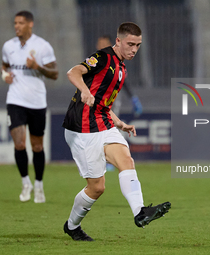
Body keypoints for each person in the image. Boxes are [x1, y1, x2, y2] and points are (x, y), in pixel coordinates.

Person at [62, 22, 171, 241]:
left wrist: (119, 123)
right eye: (130, 44)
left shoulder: (122, 68)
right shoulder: (102, 58)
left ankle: (140, 212)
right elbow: (73, 72)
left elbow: (102, 105)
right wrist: (83, 90)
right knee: (96, 188)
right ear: (118, 41)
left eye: (138, 45)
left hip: (102, 122)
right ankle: (72, 226)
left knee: (126, 160)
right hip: (82, 128)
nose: (134, 49)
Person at [1, 11, 58, 203]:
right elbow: (4, 66)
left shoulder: (42, 46)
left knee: (37, 146)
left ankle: (39, 185)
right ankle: (26, 183)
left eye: (20, 23)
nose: (16, 26)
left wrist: (37, 67)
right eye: (15, 23)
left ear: (30, 24)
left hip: (36, 102)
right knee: (19, 143)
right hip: (15, 101)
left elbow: (55, 73)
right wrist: (4, 76)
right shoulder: (8, 46)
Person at [96, 35, 143, 172]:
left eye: (104, 43)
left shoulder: (115, 61)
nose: (101, 46)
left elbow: (124, 82)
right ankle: (102, 158)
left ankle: (110, 159)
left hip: (111, 101)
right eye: (100, 43)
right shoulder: (95, 61)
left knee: (109, 126)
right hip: (95, 101)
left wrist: (133, 98)